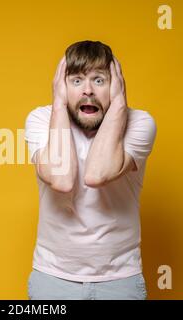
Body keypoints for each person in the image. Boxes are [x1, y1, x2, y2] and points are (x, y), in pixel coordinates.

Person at [24, 40, 157, 300]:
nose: (88, 91)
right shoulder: (41, 120)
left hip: (120, 281)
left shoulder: (140, 122)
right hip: (53, 279)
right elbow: (61, 179)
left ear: (116, 84)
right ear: (61, 86)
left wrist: (118, 104)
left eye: (99, 80)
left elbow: (97, 174)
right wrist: (59, 104)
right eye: (76, 81)